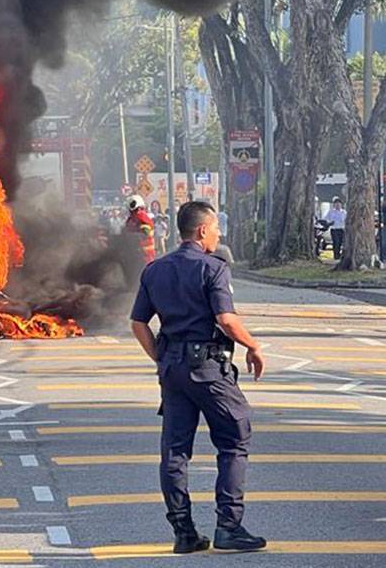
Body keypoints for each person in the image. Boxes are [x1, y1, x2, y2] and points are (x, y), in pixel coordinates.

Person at [130, 201, 267, 555]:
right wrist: (254, 346)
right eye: (216, 229)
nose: (219, 235)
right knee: (235, 437)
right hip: (208, 368)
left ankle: (184, 531)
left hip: (172, 369)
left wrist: (160, 357)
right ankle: (229, 526)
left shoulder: (155, 270)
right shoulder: (213, 268)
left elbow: (138, 323)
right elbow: (226, 319)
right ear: (202, 230)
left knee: (175, 451)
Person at [125, 195, 156, 264]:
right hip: (135, 253)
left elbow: (146, 232)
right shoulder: (131, 219)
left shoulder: (142, 216)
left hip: (145, 255)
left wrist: (133, 236)